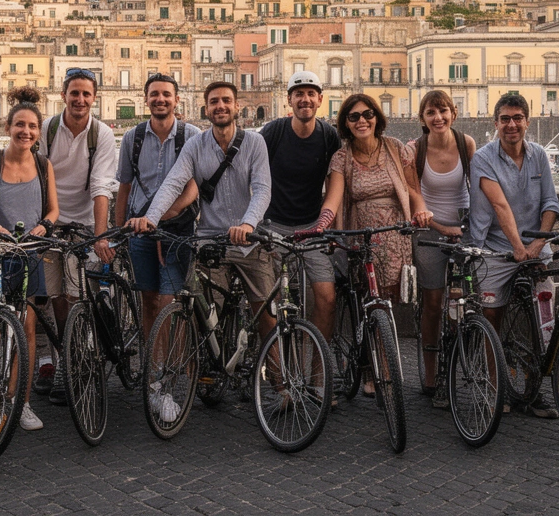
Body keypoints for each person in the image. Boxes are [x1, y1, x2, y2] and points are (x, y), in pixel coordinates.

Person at [129, 81, 271, 419]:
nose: (220, 106)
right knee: (200, 314)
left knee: (267, 314)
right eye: (213, 102)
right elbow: (174, 183)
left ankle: (280, 385)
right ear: (205, 109)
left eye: (226, 101)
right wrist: (150, 218)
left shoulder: (255, 142)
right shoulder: (195, 145)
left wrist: (248, 224)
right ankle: (202, 373)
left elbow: (263, 189)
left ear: (238, 107)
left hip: (249, 240)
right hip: (210, 240)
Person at [310, 93, 433, 396]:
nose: (361, 120)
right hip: (361, 237)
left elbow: (413, 190)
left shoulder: (395, 148)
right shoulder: (342, 157)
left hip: (394, 235)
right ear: (346, 123)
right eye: (354, 117)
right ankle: (368, 368)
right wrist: (323, 224)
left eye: (367, 114)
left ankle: (386, 368)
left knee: (386, 304)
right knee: (364, 303)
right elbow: (334, 197)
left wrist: (420, 210)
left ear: (377, 117)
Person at [0, 87, 59, 432]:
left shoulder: (43, 164)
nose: (26, 132)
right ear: (8, 127)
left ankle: (21, 401)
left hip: (31, 254)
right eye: (20, 125)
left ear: (38, 130)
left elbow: (53, 209)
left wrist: (44, 227)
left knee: (27, 328)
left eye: (33, 127)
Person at [467, 93, 559, 419]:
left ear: (527, 122)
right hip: (495, 247)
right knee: (492, 316)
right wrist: (518, 249)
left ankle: (535, 392)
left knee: (544, 320)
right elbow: (499, 205)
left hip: (535, 247)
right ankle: (497, 389)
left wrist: (537, 246)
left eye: (518, 118)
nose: (511, 124)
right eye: (505, 119)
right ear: (495, 124)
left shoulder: (538, 157)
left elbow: (550, 204)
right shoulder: (482, 158)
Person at [39, 68, 118, 405]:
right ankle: (61, 356)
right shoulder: (48, 128)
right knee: (52, 295)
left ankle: (72, 361)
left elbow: (102, 186)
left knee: (75, 295)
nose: (80, 100)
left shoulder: (102, 134)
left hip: (83, 224)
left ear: (94, 98)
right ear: (63, 95)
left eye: (87, 94)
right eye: (75, 93)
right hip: (50, 222)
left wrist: (100, 236)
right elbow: (37, 176)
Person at [115, 73, 201, 342]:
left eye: (166, 94)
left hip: (177, 230)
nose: (160, 99)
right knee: (148, 299)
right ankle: (155, 368)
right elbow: (125, 187)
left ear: (177, 100)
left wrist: (167, 213)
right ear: (146, 99)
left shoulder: (192, 136)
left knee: (171, 299)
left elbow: (194, 186)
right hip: (140, 232)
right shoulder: (133, 137)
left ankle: (177, 367)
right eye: (154, 94)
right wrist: (120, 232)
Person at [258, 71, 341, 342]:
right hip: (272, 225)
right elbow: (254, 175)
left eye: (310, 94)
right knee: (270, 301)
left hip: (312, 226)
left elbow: (335, 182)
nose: (304, 99)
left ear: (319, 100)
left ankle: (318, 372)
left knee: (327, 299)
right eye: (298, 94)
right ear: (289, 100)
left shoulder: (328, 136)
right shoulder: (273, 132)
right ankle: (277, 369)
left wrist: (324, 224)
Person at [404, 90, 474, 409]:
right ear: (423, 119)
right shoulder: (414, 150)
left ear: (453, 113)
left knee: (466, 302)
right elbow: (413, 195)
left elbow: (478, 189)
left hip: (462, 232)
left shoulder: (466, 144)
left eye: (443, 110)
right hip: (430, 232)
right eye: (431, 112)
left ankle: (463, 365)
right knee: (432, 303)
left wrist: (472, 229)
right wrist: (440, 227)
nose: (438, 117)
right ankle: (431, 375)